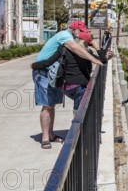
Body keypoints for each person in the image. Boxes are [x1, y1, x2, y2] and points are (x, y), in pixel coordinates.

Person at [31, 21, 103, 149]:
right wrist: (93, 59)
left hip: (51, 72)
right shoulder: (65, 35)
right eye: (80, 31)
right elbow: (76, 49)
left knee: (51, 106)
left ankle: (51, 134)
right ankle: (45, 138)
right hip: (42, 72)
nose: (80, 35)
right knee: (47, 106)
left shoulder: (65, 36)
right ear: (74, 29)